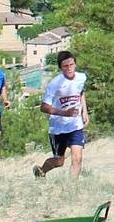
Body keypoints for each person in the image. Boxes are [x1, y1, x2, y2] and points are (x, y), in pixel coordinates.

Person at [34, 50, 89, 179]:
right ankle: (41, 171)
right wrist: (64, 113)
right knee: (59, 161)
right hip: (58, 128)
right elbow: (44, 107)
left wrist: (84, 111)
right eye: (65, 66)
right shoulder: (55, 84)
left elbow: (80, 92)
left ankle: (71, 187)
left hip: (75, 125)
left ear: (75, 64)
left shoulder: (81, 77)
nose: (69, 68)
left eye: (71, 65)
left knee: (77, 158)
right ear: (60, 68)